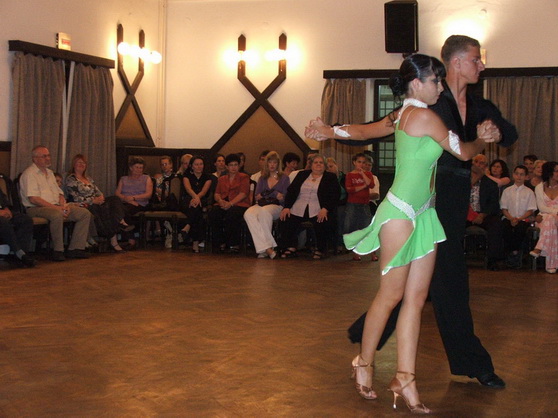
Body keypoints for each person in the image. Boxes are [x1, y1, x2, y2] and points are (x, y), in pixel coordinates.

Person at [306, 53, 500, 413]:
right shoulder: (423, 116)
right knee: (391, 295)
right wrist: (481, 139)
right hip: (400, 213)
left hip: (424, 214)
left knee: (415, 299)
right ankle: (364, 363)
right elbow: (462, 152)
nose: (439, 86)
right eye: (435, 80)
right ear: (416, 83)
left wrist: (330, 130)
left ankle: (405, 378)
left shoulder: (403, 114)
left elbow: (365, 131)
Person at [336, 35, 517, 390]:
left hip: (442, 204)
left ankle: (391, 365)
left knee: (423, 290)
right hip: (422, 201)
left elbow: (507, 134)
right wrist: (332, 129)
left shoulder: (478, 104)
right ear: (456, 63)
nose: (482, 65)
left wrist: (494, 133)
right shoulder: (427, 103)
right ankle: (376, 359)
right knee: (432, 285)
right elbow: (377, 128)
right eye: (476, 59)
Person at [19, 145, 92, 261]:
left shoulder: (50, 173)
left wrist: (62, 204)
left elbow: (59, 193)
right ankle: (58, 250)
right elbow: (33, 199)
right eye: (44, 156)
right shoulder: (29, 174)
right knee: (56, 214)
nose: (48, 158)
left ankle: (76, 248)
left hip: (55, 206)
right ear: (35, 159)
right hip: (35, 208)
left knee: (84, 213)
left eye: (48, 156)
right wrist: (56, 208)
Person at [65, 154, 132, 253]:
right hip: (83, 204)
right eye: (79, 162)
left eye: (83, 163)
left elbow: (98, 192)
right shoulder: (71, 179)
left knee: (114, 199)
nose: (82, 164)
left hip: (96, 202)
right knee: (102, 210)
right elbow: (75, 198)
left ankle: (120, 221)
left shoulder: (88, 179)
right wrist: (92, 200)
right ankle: (115, 239)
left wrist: (100, 198)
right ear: (74, 164)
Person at [279, 154, 339, 260]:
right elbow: (291, 191)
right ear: (311, 165)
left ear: (325, 166)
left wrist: (325, 208)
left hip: (319, 208)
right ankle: (290, 247)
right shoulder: (302, 174)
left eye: (321, 162)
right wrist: (287, 207)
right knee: (286, 218)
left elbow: (334, 195)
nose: (318, 164)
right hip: (299, 206)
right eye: (316, 162)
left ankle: (320, 249)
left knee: (322, 221)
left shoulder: (330, 177)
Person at [244, 151, 290, 259]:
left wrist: (270, 194)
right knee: (248, 214)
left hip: (277, 206)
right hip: (262, 204)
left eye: (274, 162)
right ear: (267, 164)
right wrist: (274, 193)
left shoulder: (284, 178)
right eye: (270, 162)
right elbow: (257, 196)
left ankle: (266, 249)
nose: (272, 165)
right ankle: (267, 248)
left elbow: (285, 197)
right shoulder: (262, 178)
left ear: (278, 164)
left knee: (264, 212)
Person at [468, 154, 505, 270]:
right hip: (465, 214)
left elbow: (493, 205)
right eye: (476, 162)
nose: (478, 165)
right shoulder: (462, 180)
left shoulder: (491, 184)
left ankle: (493, 260)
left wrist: (482, 215)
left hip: (483, 214)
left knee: (496, 224)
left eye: (482, 163)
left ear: (486, 167)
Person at [209, 153, 250, 252]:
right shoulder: (222, 178)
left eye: (235, 165)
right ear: (227, 166)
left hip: (239, 204)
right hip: (224, 203)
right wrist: (220, 201)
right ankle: (219, 242)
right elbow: (217, 193)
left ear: (239, 166)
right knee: (214, 212)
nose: (233, 167)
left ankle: (233, 243)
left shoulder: (244, 177)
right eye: (231, 165)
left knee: (232, 213)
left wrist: (230, 203)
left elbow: (243, 193)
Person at [500, 165, 536, 269]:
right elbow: (504, 208)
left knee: (520, 230)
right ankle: (510, 252)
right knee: (505, 229)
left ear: (526, 177)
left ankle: (515, 252)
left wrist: (519, 219)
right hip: (509, 218)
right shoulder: (507, 191)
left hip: (523, 219)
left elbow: (530, 210)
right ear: (513, 175)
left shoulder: (529, 192)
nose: (519, 176)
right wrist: (511, 218)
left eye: (522, 174)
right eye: (517, 174)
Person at [115, 157, 153, 249]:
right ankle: (123, 237)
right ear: (131, 168)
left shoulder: (146, 178)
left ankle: (131, 240)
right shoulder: (123, 179)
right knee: (117, 208)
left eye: (141, 168)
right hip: (125, 202)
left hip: (140, 203)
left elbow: (148, 194)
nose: (139, 170)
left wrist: (133, 198)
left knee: (124, 210)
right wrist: (126, 199)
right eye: (137, 167)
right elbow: (117, 193)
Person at [344, 153, 374, 261]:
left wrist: (363, 174)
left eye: (363, 162)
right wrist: (363, 186)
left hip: (364, 204)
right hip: (352, 204)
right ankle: (356, 253)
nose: (361, 164)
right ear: (354, 162)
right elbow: (350, 189)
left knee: (367, 227)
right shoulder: (349, 175)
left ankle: (372, 252)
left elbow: (371, 185)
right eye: (359, 162)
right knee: (353, 228)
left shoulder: (368, 174)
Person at [530, 161, 558, 273]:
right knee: (550, 220)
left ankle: (539, 248)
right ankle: (551, 265)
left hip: (549, 218)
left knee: (551, 220)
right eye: (556, 171)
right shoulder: (539, 187)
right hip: (544, 219)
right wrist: (555, 213)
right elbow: (541, 207)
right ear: (549, 172)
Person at [181, 156, 212, 253]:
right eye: (196, 164)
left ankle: (188, 226)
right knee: (197, 211)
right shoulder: (186, 175)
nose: (199, 166)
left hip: (202, 199)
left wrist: (197, 198)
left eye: (201, 164)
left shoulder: (207, 177)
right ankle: (195, 242)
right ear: (191, 166)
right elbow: (188, 189)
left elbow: (204, 191)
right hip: (188, 199)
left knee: (196, 209)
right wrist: (195, 198)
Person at [0, 186, 35, 267]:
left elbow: (2, 198)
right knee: (3, 222)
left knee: (25, 220)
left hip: (2, 211)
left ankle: (20, 253)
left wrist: (7, 209)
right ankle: (19, 253)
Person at [326, 157, 347, 254]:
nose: (329, 169)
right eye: (327, 168)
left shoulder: (345, 177)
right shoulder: (327, 179)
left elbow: (348, 193)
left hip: (343, 203)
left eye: (331, 166)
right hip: (330, 204)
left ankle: (339, 243)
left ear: (336, 165)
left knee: (339, 214)